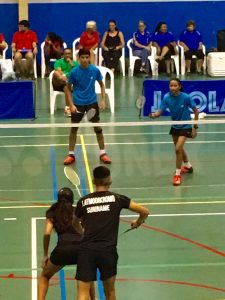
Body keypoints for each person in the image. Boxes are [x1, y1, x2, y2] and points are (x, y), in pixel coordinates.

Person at [75, 166, 149, 300]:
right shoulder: (118, 199)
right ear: (110, 181)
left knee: (83, 293)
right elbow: (144, 211)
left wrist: (82, 230)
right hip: (107, 252)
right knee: (109, 292)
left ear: (93, 181)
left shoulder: (83, 202)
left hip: (87, 251)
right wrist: (138, 222)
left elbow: (74, 223)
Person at [37, 187, 96, 300]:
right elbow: (85, 231)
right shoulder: (77, 212)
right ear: (72, 199)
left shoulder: (53, 212)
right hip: (81, 249)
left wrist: (45, 255)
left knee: (45, 275)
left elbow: (47, 234)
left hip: (62, 250)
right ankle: (93, 298)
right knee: (86, 275)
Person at [63, 47, 111, 165]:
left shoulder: (94, 70)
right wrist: (71, 105)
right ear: (79, 58)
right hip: (78, 104)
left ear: (89, 58)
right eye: (82, 57)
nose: (84, 60)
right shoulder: (74, 72)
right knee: (74, 129)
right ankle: (71, 154)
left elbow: (102, 85)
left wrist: (103, 100)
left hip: (91, 103)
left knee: (97, 128)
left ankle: (103, 153)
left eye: (86, 57)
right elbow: (68, 89)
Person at [150, 78, 199, 186]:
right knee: (179, 148)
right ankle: (188, 166)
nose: (172, 88)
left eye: (175, 85)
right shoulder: (167, 97)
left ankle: (177, 175)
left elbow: (196, 111)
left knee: (177, 149)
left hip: (186, 126)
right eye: (171, 86)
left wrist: (194, 127)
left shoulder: (186, 97)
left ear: (179, 86)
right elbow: (158, 113)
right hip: (175, 126)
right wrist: (153, 115)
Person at [53, 47, 79, 117]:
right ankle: (67, 81)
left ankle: (68, 108)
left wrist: (71, 64)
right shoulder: (58, 62)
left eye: (69, 54)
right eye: (66, 54)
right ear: (63, 55)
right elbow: (59, 71)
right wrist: (65, 76)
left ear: (71, 55)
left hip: (68, 84)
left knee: (66, 87)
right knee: (55, 73)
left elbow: (77, 73)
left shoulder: (75, 64)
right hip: (58, 82)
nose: (67, 55)